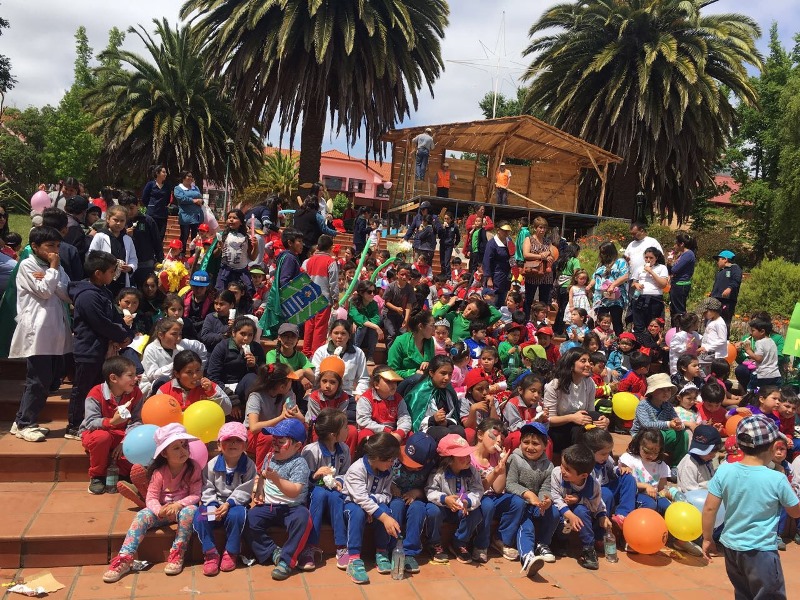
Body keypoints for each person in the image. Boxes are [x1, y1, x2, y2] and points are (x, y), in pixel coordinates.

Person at [702, 415, 800, 599]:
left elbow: (709, 508)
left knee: (744, 593)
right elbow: (795, 511)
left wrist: (707, 538)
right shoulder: (776, 478)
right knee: (769, 595)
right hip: (761, 551)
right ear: (772, 447)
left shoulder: (724, 470)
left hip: (732, 549)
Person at [102, 423, 201, 582]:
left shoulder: (193, 467)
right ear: (164, 453)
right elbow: (152, 497)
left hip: (182, 510)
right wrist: (158, 510)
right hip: (163, 511)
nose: (183, 451)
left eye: (184, 445)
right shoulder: (159, 473)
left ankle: (178, 551)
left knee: (190, 511)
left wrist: (179, 505)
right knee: (142, 515)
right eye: (176, 448)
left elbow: (196, 494)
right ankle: (125, 557)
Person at [9, 227, 73, 442]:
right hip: (37, 331)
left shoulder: (56, 267)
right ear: (35, 247)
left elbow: (66, 293)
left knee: (50, 379)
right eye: (49, 246)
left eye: (57, 246)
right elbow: (44, 291)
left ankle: (21, 422)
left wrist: (49, 275)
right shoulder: (27, 265)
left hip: (55, 331)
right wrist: (52, 273)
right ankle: (25, 423)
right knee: (37, 379)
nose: (55, 251)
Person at [67, 251, 134, 440]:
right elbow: (101, 323)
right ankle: (74, 425)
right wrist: (121, 334)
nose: (114, 275)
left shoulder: (103, 291)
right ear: (98, 273)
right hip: (89, 350)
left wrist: (125, 333)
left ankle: (93, 421)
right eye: (112, 271)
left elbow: (114, 318)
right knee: (83, 388)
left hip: (103, 349)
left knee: (98, 389)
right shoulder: (87, 295)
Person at [247, 418, 313, 581]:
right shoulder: (270, 457)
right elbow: (262, 476)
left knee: (303, 518)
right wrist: (259, 492)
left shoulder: (299, 463)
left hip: (292, 507)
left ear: (297, 446)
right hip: (269, 506)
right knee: (249, 519)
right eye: (273, 441)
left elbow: (295, 491)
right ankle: (273, 551)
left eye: (281, 442)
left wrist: (277, 480)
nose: (274, 445)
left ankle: (286, 560)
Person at [195, 421, 256, 576]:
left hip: (234, 505)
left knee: (238, 515)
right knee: (201, 516)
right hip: (215, 505)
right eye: (227, 440)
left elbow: (245, 490)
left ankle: (231, 551)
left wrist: (229, 504)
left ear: (245, 445)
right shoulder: (211, 465)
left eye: (237, 440)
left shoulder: (249, 465)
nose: (232, 444)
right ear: (219, 444)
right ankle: (210, 552)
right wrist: (213, 505)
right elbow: (207, 487)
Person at [342, 432, 402, 583]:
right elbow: (360, 498)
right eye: (389, 460)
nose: (391, 463)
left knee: (386, 510)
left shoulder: (387, 471)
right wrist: (379, 514)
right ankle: (354, 558)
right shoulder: (357, 469)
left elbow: (387, 495)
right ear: (376, 457)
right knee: (357, 513)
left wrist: (375, 503)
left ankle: (381, 552)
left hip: (372, 503)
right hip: (352, 504)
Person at [79, 356, 143, 494]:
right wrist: (111, 422)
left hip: (121, 434)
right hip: (95, 433)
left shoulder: (136, 393)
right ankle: (97, 476)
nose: (135, 379)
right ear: (114, 378)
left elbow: (137, 420)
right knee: (102, 437)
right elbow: (90, 423)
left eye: (135, 374)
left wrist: (126, 441)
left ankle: (122, 475)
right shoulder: (96, 393)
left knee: (138, 443)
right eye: (130, 375)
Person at [300, 409, 352, 569]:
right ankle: (310, 546)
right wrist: (315, 475)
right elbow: (302, 478)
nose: (348, 430)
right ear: (332, 434)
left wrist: (338, 481)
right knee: (320, 493)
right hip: (313, 495)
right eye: (344, 427)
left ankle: (341, 546)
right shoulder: (311, 451)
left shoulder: (344, 449)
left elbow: (346, 474)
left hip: (335, 494)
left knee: (336, 496)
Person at [504, 422, 558, 575]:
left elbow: (546, 488)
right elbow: (510, 484)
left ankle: (542, 543)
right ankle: (527, 557)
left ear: (545, 445)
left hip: (536, 505)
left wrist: (545, 501)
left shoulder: (549, 466)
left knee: (553, 513)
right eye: (525, 442)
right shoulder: (515, 459)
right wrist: (528, 494)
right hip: (519, 506)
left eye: (535, 443)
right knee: (526, 527)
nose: (530, 447)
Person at [470, 419, 525, 563]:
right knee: (488, 505)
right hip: (477, 497)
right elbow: (479, 489)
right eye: (494, 436)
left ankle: (501, 539)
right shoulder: (469, 457)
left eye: (501, 439)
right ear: (480, 435)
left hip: (494, 496)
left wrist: (502, 467)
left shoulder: (495, 457)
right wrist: (495, 472)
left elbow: (499, 489)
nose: (498, 441)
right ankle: (480, 545)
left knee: (517, 502)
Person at [550, 444, 611, 570]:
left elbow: (596, 504)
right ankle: (560, 541)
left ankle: (589, 549)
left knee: (581, 511)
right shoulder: (556, 473)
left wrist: (601, 514)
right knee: (560, 517)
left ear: (583, 475)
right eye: (562, 465)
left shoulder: (593, 485)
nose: (562, 470)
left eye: (567, 469)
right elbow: (555, 496)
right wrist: (569, 514)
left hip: (581, 513)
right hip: (562, 511)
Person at [425, 433, 485, 564]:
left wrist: (467, 501)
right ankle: (434, 544)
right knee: (432, 511)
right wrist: (444, 499)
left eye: (468, 454)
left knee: (476, 512)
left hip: (462, 509)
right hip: (443, 508)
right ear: (450, 459)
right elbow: (430, 491)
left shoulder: (472, 471)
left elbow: (478, 490)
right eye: (462, 456)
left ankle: (459, 542)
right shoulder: (439, 473)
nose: (468, 458)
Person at [543, 348, 609, 453]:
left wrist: (603, 421)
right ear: (570, 363)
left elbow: (590, 411)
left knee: (596, 419)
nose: (588, 365)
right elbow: (549, 420)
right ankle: (578, 460)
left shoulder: (589, 383)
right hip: (559, 430)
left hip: (580, 425)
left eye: (589, 361)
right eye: (583, 361)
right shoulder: (554, 385)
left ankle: (604, 459)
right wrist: (572, 418)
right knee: (577, 428)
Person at [581, 428, 636, 531]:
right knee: (606, 493)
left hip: (608, 487)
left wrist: (620, 470)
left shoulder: (607, 460)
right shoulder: (587, 467)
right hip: (594, 496)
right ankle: (599, 532)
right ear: (590, 452)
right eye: (603, 454)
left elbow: (612, 471)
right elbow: (591, 490)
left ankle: (623, 515)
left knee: (628, 478)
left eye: (608, 453)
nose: (606, 456)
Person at [207, 316, 265, 412]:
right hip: (225, 390)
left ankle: (253, 413)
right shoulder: (222, 347)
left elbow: (263, 375)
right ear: (234, 333)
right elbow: (213, 377)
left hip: (245, 388)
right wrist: (232, 400)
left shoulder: (257, 348)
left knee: (251, 377)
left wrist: (254, 366)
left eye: (250, 335)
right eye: (242, 334)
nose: (246, 338)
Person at [632, 373, 688, 467]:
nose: (666, 392)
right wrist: (668, 424)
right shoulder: (643, 405)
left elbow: (675, 418)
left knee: (683, 434)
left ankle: (676, 466)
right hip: (643, 435)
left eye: (668, 389)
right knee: (659, 434)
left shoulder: (668, 406)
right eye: (662, 389)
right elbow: (647, 425)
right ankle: (657, 464)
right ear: (652, 391)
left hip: (662, 435)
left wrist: (678, 424)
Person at [311, 320, 370, 399]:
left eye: (343, 333)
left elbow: (363, 378)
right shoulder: (321, 352)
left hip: (348, 394)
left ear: (349, 335)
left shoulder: (358, 353)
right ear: (330, 334)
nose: (339, 336)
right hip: (325, 394)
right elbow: (316, 376)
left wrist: (359, 393)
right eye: (336, 333)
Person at [88, 205, 139, 297]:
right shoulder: (100, 236)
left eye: (122, 221)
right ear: (108, 219)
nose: (118, 223)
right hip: (105, 279)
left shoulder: (127, 239)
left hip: (122, 280)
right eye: (115, 220)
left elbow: (133, 259)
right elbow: (91, 255)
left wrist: (130, 267)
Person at [302, 234, 339, 358]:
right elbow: (333, 283)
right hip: (323, 298)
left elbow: (302, 279)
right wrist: (335, 298)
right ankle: (315, 354)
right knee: (320, 328)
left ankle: (306, 352)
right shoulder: (330, 262)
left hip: (308, 297)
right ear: (330, 247)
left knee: (309, 326)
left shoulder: (308, 261)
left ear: (318, 246)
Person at [120, 195, 163, 287]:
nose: (129, 211)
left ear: (138, 205)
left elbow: (157, 242)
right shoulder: (119, 223)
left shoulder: (147, 220)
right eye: (125, 208)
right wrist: (125, 234)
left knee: (145, 289)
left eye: (131, 208)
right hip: (126, 265)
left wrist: (160, 260)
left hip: (145, 263)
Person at [213, 209, 258, 293]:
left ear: (241, 222)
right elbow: (215, 255)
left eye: (235, 218)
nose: (231, 219)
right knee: (221, 293)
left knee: (246, 293)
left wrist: (256, 246)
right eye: (229, 217)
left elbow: (252, 257)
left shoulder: (246, 237)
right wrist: (219, 249)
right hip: (225, 271)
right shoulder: (223, 236)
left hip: (242, 272)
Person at [590, 241, 629, 335]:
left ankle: (619, 343)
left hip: (615, 297)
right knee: (600, 322)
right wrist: (589, 286)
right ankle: (599, 342)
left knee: (616, 321)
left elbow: (625, 276)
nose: (602, 255)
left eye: (604, 252)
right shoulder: (600, 265)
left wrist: (613, 285)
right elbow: (595, 277)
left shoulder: (620, 262)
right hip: (601, 298)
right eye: (601, 252)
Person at [521, 217, 554, 320]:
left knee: (544, 300)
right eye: (540, 227)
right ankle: (526, 320)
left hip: (546, 275)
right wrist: (541, 256)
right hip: (533, 272)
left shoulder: (548, 241)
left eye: (544, 228)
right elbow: (526, 254)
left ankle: (541, 320)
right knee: (529, 299)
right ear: (535, 228)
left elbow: (553, 252)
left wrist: (549, 254)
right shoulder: (529, 239)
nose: (542, 230)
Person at [630, 246, 668, 333]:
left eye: (651, 258)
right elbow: (633, 283)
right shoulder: (639, 268)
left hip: (655, 299)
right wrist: (636, 284)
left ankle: (652, 343)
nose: (648, 260)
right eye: (646, 257)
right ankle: (640, 342)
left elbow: (663, 284)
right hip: (640, 298)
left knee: (653, 324)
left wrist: (651, 272)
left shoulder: (661, 268)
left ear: (656, 258)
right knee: (639, 323)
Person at [676, 424, 721, 492]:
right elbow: (689, 492)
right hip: (693, 499)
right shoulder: (689, 465)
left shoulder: (706, 459)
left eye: (712, 453)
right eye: (708, 453)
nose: (713, 456)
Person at [381, 263, 416, 347]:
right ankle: (389, 355)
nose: (404, 277)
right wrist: (396, 308)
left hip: (400, 315)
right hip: (388, 314)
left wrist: (406, 319)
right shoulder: (391, 287)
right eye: (402, 274)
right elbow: (386, 302)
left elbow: (408, 305)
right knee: (392, 333)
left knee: (401, 334)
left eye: (407, 275)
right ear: (397, 274)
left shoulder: (410, 288)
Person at [293, 196, 337, 262]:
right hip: (310, 244)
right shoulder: (317, 215)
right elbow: (324, 229)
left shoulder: (297, 213)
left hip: (297, 242)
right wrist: (335, 232)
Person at [349, 280, 383, 365]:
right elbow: (358, 318)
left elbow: (376, 319)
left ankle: (370, 356)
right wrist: (376, 327)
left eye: (374, 291)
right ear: (361, 293)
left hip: (368, 336)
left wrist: (374, 326)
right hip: (354, 336)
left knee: (371, 327)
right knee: (362, 326)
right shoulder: (353, 302)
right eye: (369, 292)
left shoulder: (374, 304)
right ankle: (355, 353)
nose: (372, 294)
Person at [552, 243, 581, 335]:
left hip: (560, 286)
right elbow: (577, 273)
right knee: (566, 309)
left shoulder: (562, 260)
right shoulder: (575, 260)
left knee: (560, 308)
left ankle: (556, 328)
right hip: (569, 286)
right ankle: (561, 330)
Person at [708, 249, 742, 329]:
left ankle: (725, 339)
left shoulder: (735, 268)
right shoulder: (720, 272)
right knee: (713, 321)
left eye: (719, 259)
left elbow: (736, 280)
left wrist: (729, 288)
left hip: (727, 301)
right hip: (716, 299)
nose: (717, 262)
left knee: (724, 322)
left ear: (725, 259)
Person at [623, 221, 663, 287]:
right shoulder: (631, 244)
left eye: (634, 233)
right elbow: (625, 257)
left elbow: (660, 258)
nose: (632, 236)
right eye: (631, 234)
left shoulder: (652, 242)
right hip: (632, 277)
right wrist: (626, 260)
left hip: (646, 277)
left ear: (641, 231)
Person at [484, 223, 513, 310]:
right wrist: (489, 278)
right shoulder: (492, 244)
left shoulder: (509, 241)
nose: (506, 233)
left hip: (506, 275)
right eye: (504, 231)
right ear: (498, 230)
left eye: (507, 231)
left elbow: (512, 256)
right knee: (493, 299)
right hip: (495, 275)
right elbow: (487, 261)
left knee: (502, 298)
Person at [667, 231, 696, 318]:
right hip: (676, 283)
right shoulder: (683, 255)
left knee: (678, 310)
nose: (674, 246)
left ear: (682, 244)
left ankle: (681, 328)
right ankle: (675, 329)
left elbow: (674, 269)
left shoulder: (688, 254)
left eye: (676, 243)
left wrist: (669, 263)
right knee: (673, 308)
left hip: (681, 285)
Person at [174, 172, 203, 257]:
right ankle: (181, 253)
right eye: (188, 176)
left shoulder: (196, 187)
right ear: (183, 177)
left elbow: (200, 198)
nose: (190, 178)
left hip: (196, 216)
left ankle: (193, 255)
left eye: (191, 176)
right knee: (184, 236)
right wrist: (194, 201)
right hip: (185, 217)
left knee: (196, 237)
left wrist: (200, 201)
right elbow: (181, 199)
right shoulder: (178, 188)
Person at [143, 165, 170, 241]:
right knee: (150, 235)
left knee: (160, 236)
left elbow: (167, 199)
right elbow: (144, 198)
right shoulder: (150, 184)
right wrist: (150, 206)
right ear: (157, 173)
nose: (165, 174)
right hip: (152, 214)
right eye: (163, 172)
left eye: (166, 172)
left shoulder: (167, 186)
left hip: (162, 215)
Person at [438, 211, 460, 279]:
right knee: (442, 261)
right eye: (445, 218)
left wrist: (456, 243)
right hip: (442, 245)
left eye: (448, 219)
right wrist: (443, 229)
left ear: (451, 219)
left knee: (446, 262)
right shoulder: (442, 226)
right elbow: (439, 236)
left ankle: (448, 276)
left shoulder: (454, 226)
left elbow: (458, 236)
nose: (446, 220)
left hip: (449, 246)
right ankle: (443, 274)